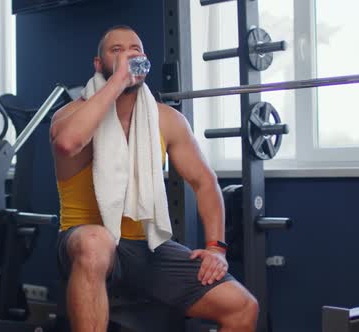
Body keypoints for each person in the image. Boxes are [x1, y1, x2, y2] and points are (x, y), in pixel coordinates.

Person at [49, 25, 259, 332]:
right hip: (85, 240)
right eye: (116, 50)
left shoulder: (165, 119)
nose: (128, 54)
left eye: (135, 49)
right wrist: (118, 82)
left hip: (148, 246)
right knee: (97, 241)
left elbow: (205, 181)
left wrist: (216, 247)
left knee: (242, 306)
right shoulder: (70, 114)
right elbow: (67, 143)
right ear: (98, 65)